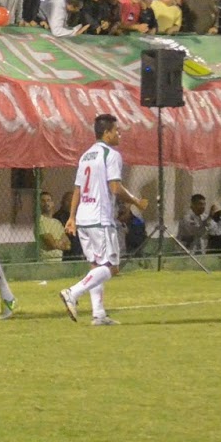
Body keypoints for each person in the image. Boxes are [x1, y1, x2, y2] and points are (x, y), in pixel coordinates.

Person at [59, 114, 148, 326]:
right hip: (100, 218)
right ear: (106, 132)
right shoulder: (111, 154)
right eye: (117, 130)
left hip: (84, 218)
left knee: (95, 266)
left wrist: (72, 217)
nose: (119, 134)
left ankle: (98, 315)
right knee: (111, 266)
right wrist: (135, 201)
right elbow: (114, 187)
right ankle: (73, 292)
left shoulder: (86, 156)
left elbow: (78, 189)